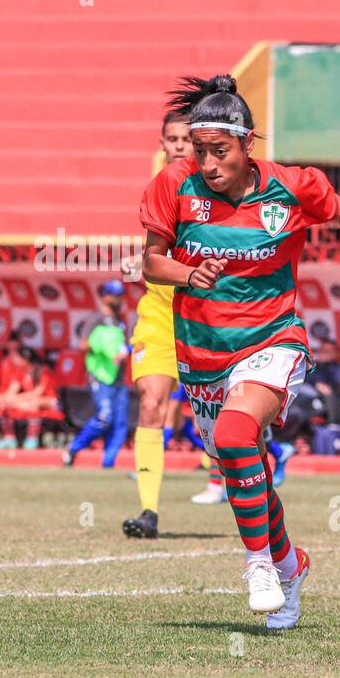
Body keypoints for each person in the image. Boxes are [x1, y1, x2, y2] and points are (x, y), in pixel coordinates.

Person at [140, 74, 340, 629]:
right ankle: (289, 562)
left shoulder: (293, 187)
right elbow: (151, 263)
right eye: (200, 150)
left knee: (235, 437)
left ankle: (257, 562)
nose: (207, 163)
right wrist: (189, 272)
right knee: (243, 467)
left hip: (271, 339)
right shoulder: (173, 185)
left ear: (248, 145)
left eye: (220, 152)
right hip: (201, 352)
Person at [118, 108, 192, 538]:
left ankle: (254, 484)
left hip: (205, 313)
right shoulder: (158, 181)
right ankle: (148, 511)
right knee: (150, 402)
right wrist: (141, 262)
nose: (179, 146)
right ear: (161, 144)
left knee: (228, 416)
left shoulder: (212, 185)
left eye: (187, 139)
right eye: (172, 138)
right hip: (159, 313)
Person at [63, 280, 131, 470]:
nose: (119, 299)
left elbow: (122, 346)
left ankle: (108, 463)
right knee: (104, 416)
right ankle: (73, 448)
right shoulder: (95, 318)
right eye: (115, 295)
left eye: (120, 295)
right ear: (104, 296)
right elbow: (83, 345)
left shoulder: (120, 320)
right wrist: (102, 346)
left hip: (118, 377)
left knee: (120, 423)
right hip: (100, 376)